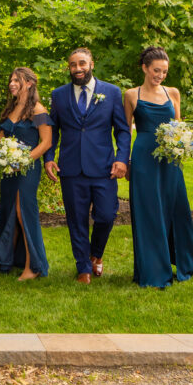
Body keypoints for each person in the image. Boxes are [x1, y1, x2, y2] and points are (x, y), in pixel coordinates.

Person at [44, 48, 130, 283]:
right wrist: (49, 157)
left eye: (82, 63)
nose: (78, 68)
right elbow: (53, 129)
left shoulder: (111, 92)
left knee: (106, 215)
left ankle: (96, 255)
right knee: (76, 219)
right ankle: (83, 266)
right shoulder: (59, 95)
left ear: (92, 63)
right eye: (73, 65)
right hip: (70, 168)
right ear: (69, 68)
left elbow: (122, 129)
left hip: (104, 167)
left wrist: (122, 158)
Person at [123, 47, 193, 288]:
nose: (160, 75)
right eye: (156, 70)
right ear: (145, 68)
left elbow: (178, 126)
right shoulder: (131, 95)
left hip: (170, 159)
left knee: (176, 209)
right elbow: (125, 131)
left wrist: (183, 144)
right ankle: (154, 269)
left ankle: (182, 263)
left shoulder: (173, 92)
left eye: (164, 71)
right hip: (144, 157)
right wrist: (125, 162)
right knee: (149, 212)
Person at [0, 67, 53, 279]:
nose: (12, 83)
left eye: (18, 80)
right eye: (11, 80)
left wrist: (23, 160)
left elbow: (46, 143)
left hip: (28, 169)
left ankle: (32, 266)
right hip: (10, 169)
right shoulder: (11, 108)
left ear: (30, 83)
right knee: (10, 211)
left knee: (23, 212)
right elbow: (2, 135)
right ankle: (5, 259)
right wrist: (6, 155)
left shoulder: (38, 110)